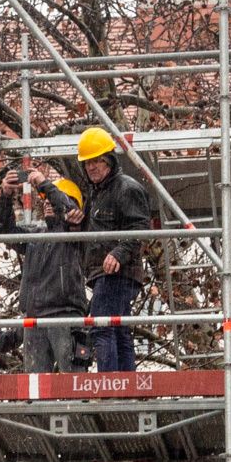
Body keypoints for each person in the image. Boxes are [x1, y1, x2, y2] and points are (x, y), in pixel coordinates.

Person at [0, 168, 89, 375]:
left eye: (50, 199)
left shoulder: (75, 235)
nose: (46, 202)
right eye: (44, 199)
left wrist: (44, 184)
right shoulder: (36, 237)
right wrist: (6, 195)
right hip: (35, 319)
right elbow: (4, 230)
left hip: (65, 316)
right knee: (36, 389)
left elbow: (68, 209)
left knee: (73, 384)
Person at [75, 127, 155, 371]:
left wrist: (118, 254)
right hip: (106, 272)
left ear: (109, 160)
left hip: (117, 272)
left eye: (97, 161)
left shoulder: (125, 188)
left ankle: (109, 385)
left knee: (102, 325)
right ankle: (124, 384)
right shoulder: (98, 193)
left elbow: (141, 227)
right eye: (88, 163)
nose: (92, 167)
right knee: (118, 328)